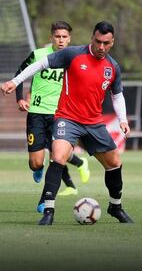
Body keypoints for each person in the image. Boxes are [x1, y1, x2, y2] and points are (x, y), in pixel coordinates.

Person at [1, 21, 133, 225]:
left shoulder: (112, 67)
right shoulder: (72, 54)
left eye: (106, 43)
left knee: (115, 163)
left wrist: (123, 120)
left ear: (112, 42)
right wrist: (15, 82)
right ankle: (48, 211)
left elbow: (117, 96)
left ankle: (115, 207)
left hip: (94, 123)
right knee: (58, 156)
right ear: (92, 38)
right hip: (67, 118)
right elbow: (41, 64)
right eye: (98, 41)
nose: (101, 47)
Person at [14, 21, 90, 214]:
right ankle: (37, 168)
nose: (61, 40)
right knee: (36, 163)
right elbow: (20, 74)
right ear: (51, 38)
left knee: (57, 159)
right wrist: (20, 99)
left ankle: (44, 201)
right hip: (37, 114)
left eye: (64, 37)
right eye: (58, 36)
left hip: (61, 115)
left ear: (69, 39)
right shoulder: (39, 55)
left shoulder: (74, 59)